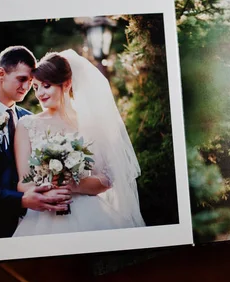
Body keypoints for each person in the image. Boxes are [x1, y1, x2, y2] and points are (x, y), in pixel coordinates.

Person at [12, 49, 145, 237]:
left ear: (66, 84)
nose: (40, 93)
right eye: (36, 87)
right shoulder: (27, 125)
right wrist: (47, 192)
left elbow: (106, 179)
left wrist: (74, 185)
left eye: (46, 85)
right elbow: (23, 182)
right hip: (43, 215)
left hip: (89, 212)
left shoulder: (91, 123)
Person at [0, 46, 72, 241]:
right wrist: (22, 200)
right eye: (22, 79)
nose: (26, 87)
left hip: (32, 223)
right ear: (1, 73)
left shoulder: (30, 120)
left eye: (31, 82)